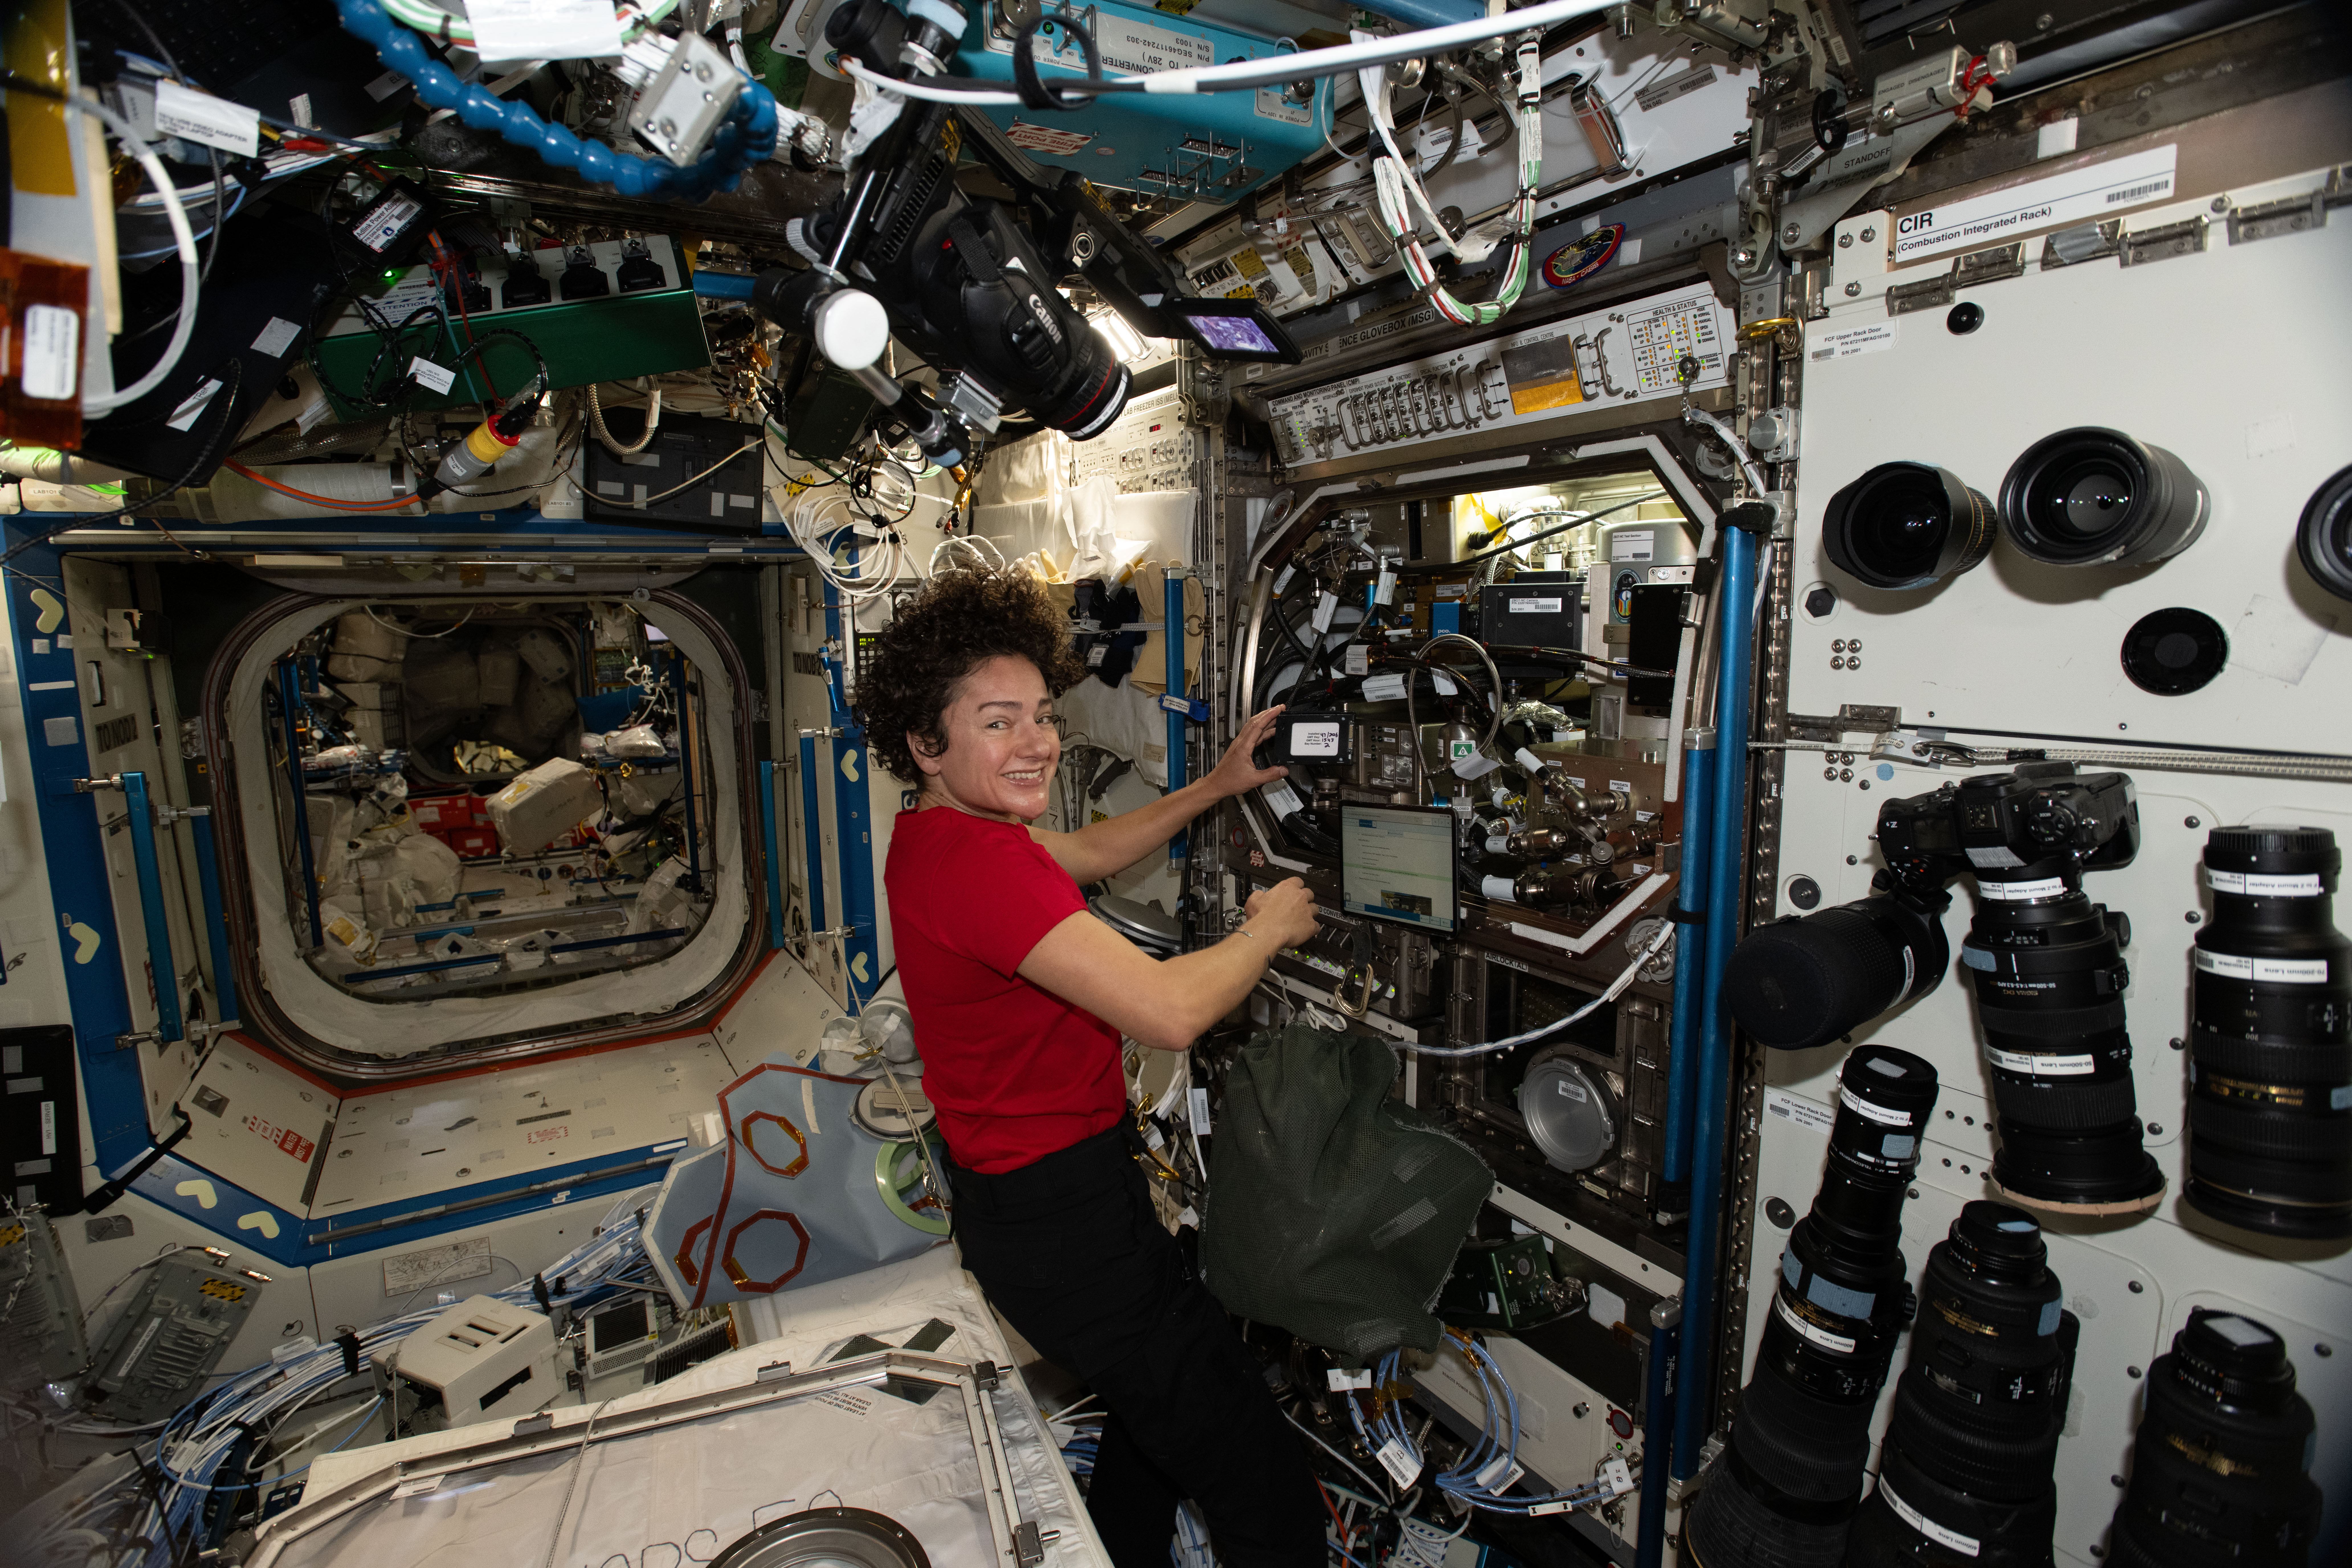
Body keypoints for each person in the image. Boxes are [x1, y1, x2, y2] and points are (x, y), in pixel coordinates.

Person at [861, 567, 1326, 1568]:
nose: (1036, 742)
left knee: (1153, 1425)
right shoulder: (981, 865)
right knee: (1264, 1485)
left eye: (1041, 715)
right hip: (1066, 1226)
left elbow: (1088, 852)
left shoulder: (947, 834)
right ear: (926, 743)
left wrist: (1215, 786)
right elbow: (1169, 1012)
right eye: (998, 723)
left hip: (1027, 1212)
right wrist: (1269, 929)